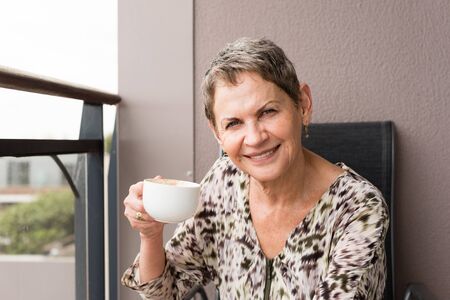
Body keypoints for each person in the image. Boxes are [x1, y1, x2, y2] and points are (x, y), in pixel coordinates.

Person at [121, 37, 389, 299]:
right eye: (234, 123)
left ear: (303, 105)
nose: (255, 138)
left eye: (268, 112)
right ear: (217, 133)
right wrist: (151, 234)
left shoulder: (359, 208)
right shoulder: (222, 182)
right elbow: (164, 292)